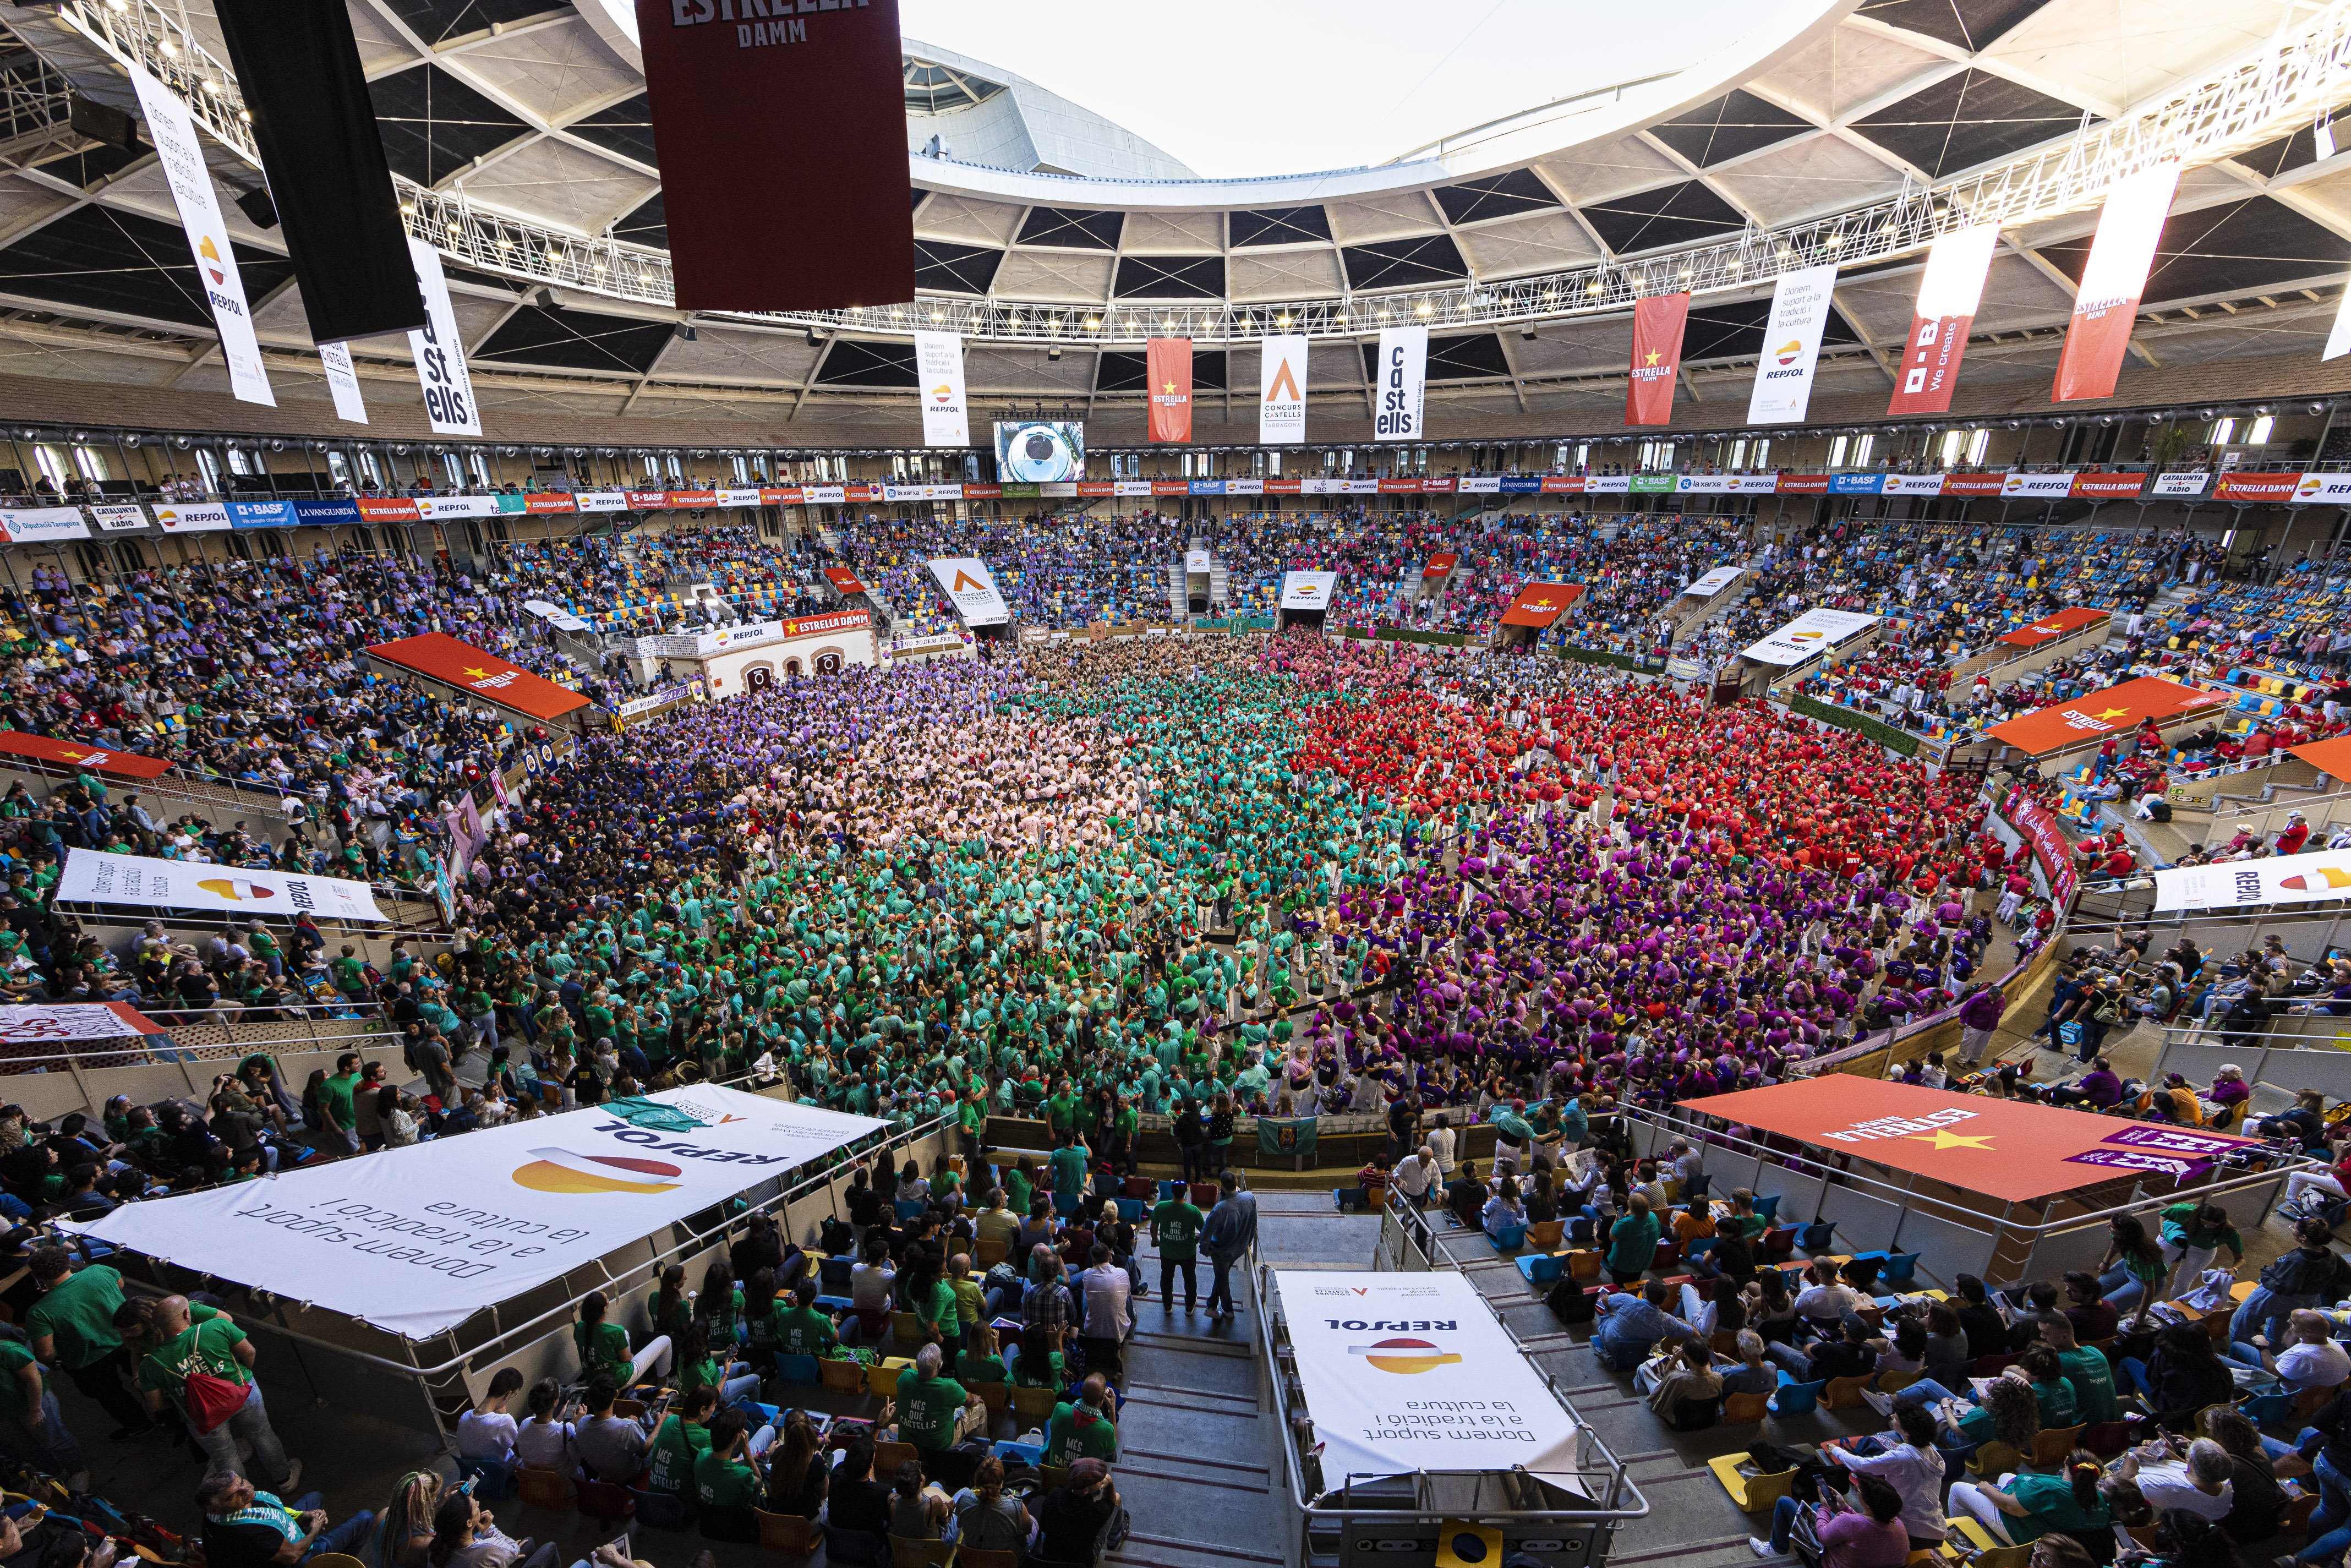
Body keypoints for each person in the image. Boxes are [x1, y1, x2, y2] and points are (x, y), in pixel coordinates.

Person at [135, 1293, 297, 1494]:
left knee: (225, 1457)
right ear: (188, 1314)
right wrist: (243, 1375)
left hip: (200, 1415)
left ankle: (243, 1498)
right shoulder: (216, 1327)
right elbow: (250, 1352)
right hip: (243, 1395)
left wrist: (184, 1401)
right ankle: (285, 1479)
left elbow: (156, 1405)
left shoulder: (150, 1364)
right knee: (262, 1434)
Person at [25, 1247, 152, 1439]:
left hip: (87, 1362)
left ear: (37, 1275)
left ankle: (139, 1424)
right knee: (147, 1377)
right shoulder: (99, 1271)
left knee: (111, 1395)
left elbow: (45, 1354)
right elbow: (120, 1285)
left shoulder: (39, 1312)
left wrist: (56, 1362)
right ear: (68, 1261)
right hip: (128, 1340)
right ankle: (163, 1413)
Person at [1825, 1402, 1947, 1549]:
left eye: (1896, 1419)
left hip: (1912, 1533)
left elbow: (1862, 1465)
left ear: (1907, 1431)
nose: (1892, 1417)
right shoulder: (1933, 1453)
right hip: (1937, 1528)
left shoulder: (1903, 1458)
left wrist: (1837, 1451)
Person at [196, 1470, 378, 1568]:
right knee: (366, 1518)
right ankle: (334, 1562)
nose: (246, 1490)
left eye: (242, 1482)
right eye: (233, 1495)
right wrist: (314, 1528)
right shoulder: (245, 1532)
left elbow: (276, 1512)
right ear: (215, 1508)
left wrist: (304, 1516)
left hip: (275, 1540)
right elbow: (292, 1555)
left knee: (315, 1497)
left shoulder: (216, 1513)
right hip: (292, 1558)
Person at [1945, 1452, 2114, 1547]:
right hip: (2052, 1532)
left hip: (2023, 1534)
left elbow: (2011, 1507)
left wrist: (1987, 1489)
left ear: (2066, 1461)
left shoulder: (2050, 1488)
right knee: (2006, 1476)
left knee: (1958, 1489)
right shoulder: (2097, 1495)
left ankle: (1961, 1540)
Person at [1746, 1469, 1907, 1565]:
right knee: (1815, 1508)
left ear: (1869, 1504)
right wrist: (1844, 1507)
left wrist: (1825, 1507)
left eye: (1859, 1491)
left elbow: (1824, 1536)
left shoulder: (1849, 1522)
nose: (1857, 1489)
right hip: (1865, 1560)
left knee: (1784, 1503)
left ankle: (1776, 1549)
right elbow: (1865, 1523)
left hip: (1830, 1563)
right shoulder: (1898, 1525)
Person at [424, 1487, 554, 1568]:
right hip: (503, 1552)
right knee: (549, 1547)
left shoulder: (436, 1548)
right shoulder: (486, 1550)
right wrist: (489, 1529)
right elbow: (513, 1549)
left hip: (496, 1555)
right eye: (475, 1506)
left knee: (529, 1543)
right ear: (469, 1523)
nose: (478, 1503)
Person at [1032, 1457, 1124, 1567]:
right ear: (1086, 1490)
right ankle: (1115, 1539)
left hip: (1048, 1559)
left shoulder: (1054, 1495)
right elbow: (1111, 1501)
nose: (1101, 1480)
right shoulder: (1095, 1513)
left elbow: (1043, 1527)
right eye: (1098, 1480)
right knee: (1117, 1498)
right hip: (1081, 1564)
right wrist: (1110, 1482)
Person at [893, 1341, 983, 1454]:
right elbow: (969, 1401)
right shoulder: (949, 1387)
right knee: (980, 1406)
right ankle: (982, 1447)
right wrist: (974, 1398)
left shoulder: (905, 1377)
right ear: (939, 1365)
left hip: (908, 1443)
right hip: (939, 1446)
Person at [691, 1408, 761, 1543]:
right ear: (736, 1438)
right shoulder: (742, 1475)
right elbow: (759, 1480)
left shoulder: (702, 1455)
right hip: (735, 1528)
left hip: (708, 1525)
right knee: (768, 1430)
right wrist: (745, 1449)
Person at [1593, 1280, 1692, 1373]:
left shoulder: (1627, 1300)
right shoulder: (1666, 1320)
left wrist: (1607, 1297)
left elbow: (1605, 1301)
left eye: (1644, 1289)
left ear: (1645, 1293)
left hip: (1609, 1341)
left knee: (1611, 1309)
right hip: (1636, 1354)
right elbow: (1691, 1332)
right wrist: (1681, 1321)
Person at [1200, 1171, 1257, 1321]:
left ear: (1222, 1187)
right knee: (1221, 1276)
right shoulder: (1249, 1197)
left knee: (1222, 1279)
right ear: (1237, 1183)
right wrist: (1249, 1239)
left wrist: (1205, 1250)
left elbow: (1206, 1233)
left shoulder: (1220, 1209)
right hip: (1240, 1247)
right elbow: (1253, 1222)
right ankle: (1212, 1305)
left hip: (1222, 1252)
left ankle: (1227, 1309)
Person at [953, 1455, 1032, 1559]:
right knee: (1034, 1521)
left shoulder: (964, 1501)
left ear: (976, 1481)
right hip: (1005, 1563)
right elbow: (1027, 1530)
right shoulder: (1017, 1507)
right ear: (1001, 1484)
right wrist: (1010, 1502)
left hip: (973, 1561)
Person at [1151, 1182, 1204, 1313]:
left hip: (1167, 1252)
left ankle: (1168, 1305)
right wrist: (1198, 1238)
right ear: (1186, 1192)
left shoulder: (1161, 1207)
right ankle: (1190, 1305)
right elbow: (1205, 1230)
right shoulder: (1193, 1211)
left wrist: (1155, 1239)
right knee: (1190, 1278)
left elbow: (1154, 1226)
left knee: (1167, 1278)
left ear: (1172, 1192)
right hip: (1188, 1253)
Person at [1047, 1374, 1120, 1467]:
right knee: (1112, 1453)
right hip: (1083, 1478)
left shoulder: (1060, 1409)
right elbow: (1112, 1450)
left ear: (1081, 1392)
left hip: (1055, 1472)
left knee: (1049, 1423)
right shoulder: (1106, 1430)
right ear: (1102, 1401)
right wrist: (1112, 1410)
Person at [455, 1369, 522, 1466]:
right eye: (514, 1394)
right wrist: (502, 1416)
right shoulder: (504, 1421)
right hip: (501, 1472)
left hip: (474, 1469)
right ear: (507, 1394)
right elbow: (520, 1453)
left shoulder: (464, 1417)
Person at [1602, 1192, 1660, 1287]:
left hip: (1622, 1265)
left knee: (1620, 1287)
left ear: (1631, 1208)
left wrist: (1617, 1221)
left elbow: (1612, 1237)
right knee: (1634, 1282)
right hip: (1643, 1260)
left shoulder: (1625, 1223)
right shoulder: (1653, 1217)